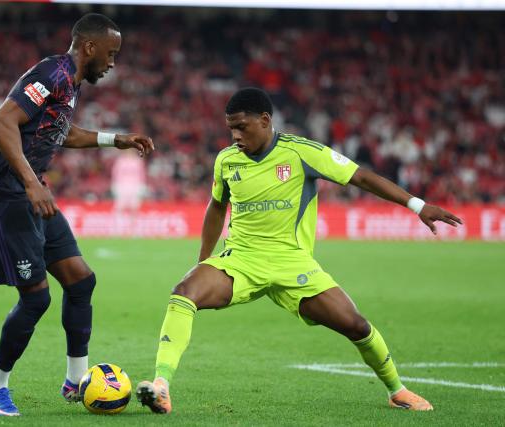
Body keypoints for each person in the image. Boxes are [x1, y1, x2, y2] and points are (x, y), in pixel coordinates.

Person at [136, 87, 461, 414]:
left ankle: (396, 390)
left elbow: (360, 177)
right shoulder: (226, 160)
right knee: (183, 293)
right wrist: (204, 261)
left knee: (356, 326)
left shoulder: (302, 152)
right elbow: (217, 207)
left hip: (293, 263)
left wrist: (416, 205)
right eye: (230, 129)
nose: (235, 135)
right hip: (242, 261)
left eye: (242, 127)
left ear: (265, 121)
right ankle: (162, 385)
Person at [0, 13, 154, 417]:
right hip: (1, 196)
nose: (112, 63)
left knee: (81, 280)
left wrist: (115, 140)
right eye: (110, 53)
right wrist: (32, 183)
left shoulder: (70, 84)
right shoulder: (52, 73)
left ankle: (78, 379)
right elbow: (1, 123)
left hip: (30, 194)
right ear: (89, 47)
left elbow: (62, 132)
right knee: (36, 299)